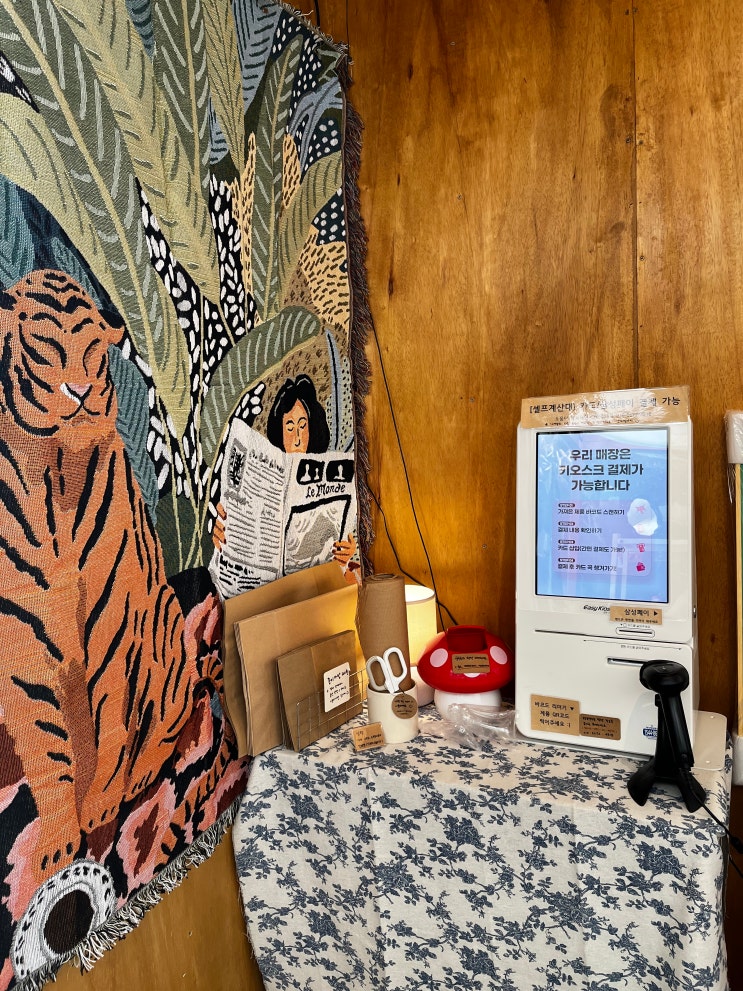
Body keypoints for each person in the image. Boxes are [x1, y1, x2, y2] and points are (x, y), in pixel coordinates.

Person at [212, 375, 357, 575]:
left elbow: (341, 550)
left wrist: (346, 553)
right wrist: (223, 531)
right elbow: (231, 530)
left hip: (314, 583)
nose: (297, 438)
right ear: (279, 431)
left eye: (302, 426)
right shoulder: (260, 476)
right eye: (289, 427)